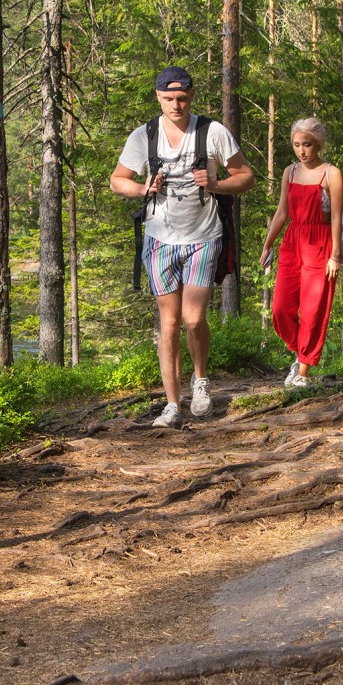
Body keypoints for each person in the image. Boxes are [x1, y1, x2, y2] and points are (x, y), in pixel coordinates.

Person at [111, 66, 256, 426]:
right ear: (158, 97)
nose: (175, 105)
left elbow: (246, 176)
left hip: (203, 237)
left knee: (193, 319)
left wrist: (217, 184)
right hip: (159, 239)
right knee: (170, 322)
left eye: (181, 98)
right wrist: (142, 188)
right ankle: (173, 404)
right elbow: (117, 180)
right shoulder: (144, 136)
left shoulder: (212, 132)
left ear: (191, 96)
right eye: (168, 99)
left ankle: (201, 380)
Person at [259, 117, 343, 388]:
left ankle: (303, 372)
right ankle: (300, 354)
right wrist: (268, 243)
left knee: (312, 310)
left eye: (307, 144)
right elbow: (282, 212)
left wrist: (335, 256)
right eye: (296, 145)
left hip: (320, 244)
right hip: (293, 242)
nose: (301, 150)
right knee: (280, 309)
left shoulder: (331, 173)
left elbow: (336, 217)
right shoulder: (290, 172)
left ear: (318, 144)